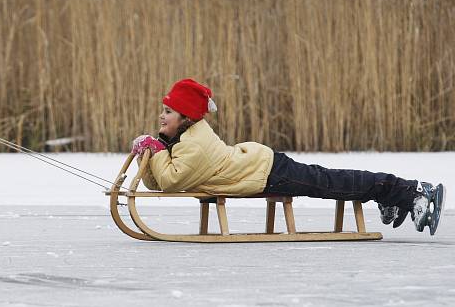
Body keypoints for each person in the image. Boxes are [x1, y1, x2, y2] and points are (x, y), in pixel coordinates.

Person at [131, 78, 446, 236]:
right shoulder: (184, 139)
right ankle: (389, 193)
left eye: (168, 111)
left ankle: (407, 191)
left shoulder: (193, 143)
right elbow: (160, 182)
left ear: (185, 116)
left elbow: (172, 182)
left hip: (267, 171)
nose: (161, 116)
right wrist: (147, 155)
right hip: (259, 169)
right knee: (327, 181)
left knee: (328, 183)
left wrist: (157, 150)